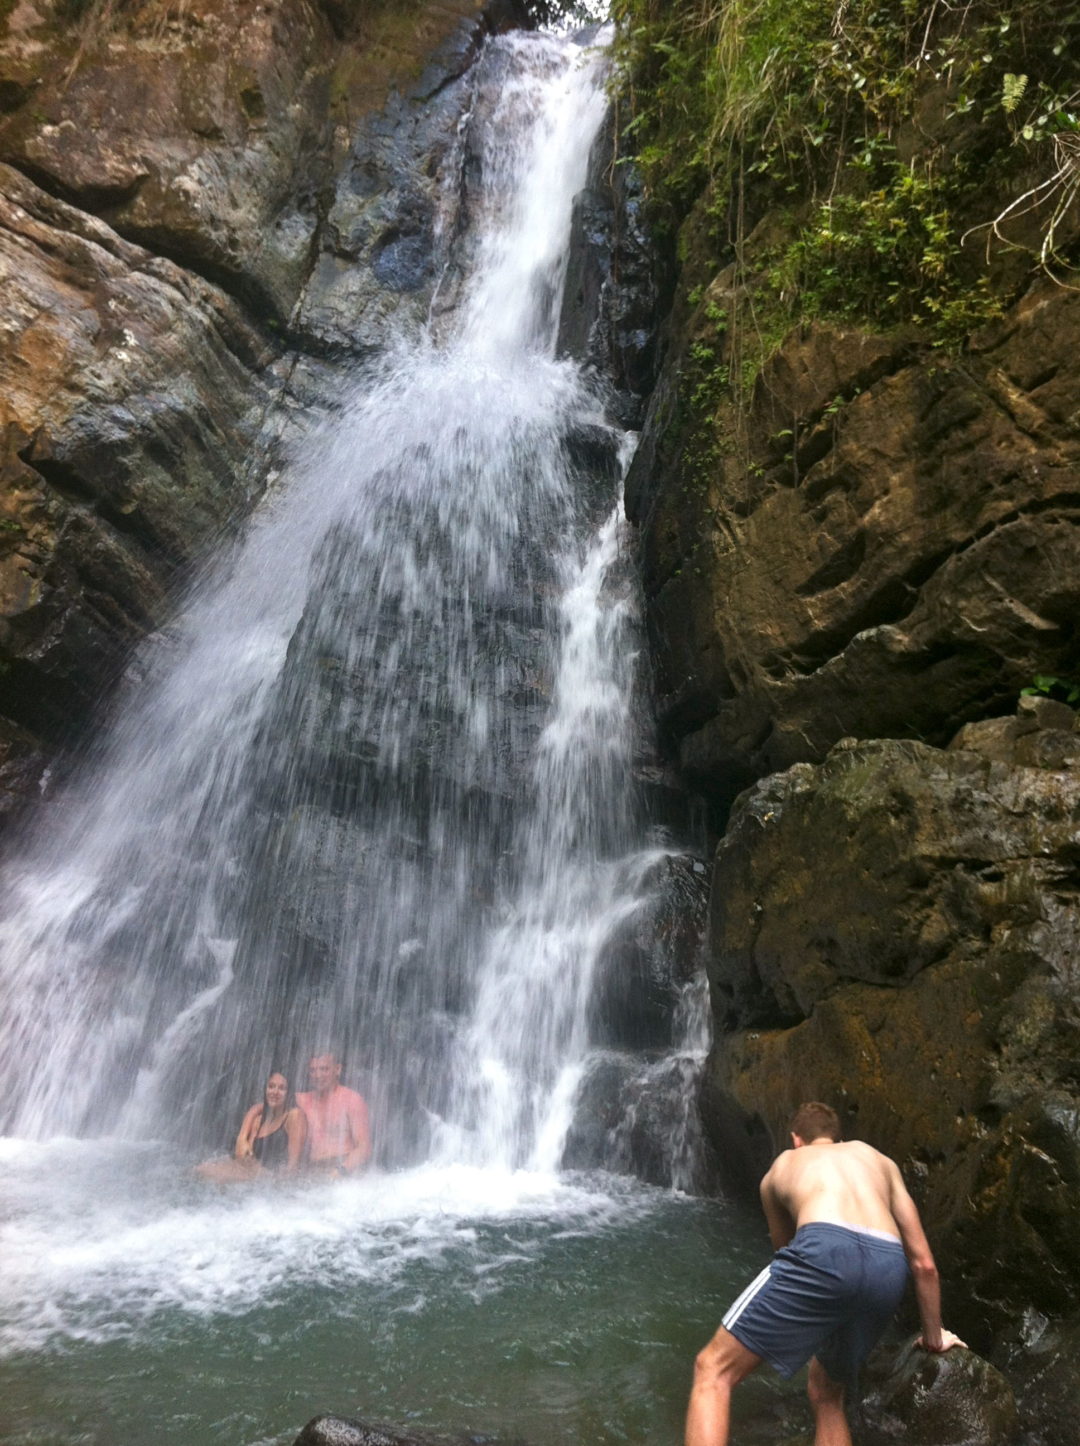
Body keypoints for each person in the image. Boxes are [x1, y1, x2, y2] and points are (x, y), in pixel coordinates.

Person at [686, 1101, 966, 1446]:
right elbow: (924, 1264)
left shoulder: (783, 1165)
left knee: (712, 1370)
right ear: (838, 1138)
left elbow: (785, 1256)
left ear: (796, 1139)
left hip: (823, 1248)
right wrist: (934, 1337)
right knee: (826, 1393)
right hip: (888, 1265)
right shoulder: (879, 1162)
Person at [195, 1069, 307, 1182]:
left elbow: (293, 1167)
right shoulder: (258, 1121)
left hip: (269, 1181)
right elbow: (243, 1157)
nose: (275, 1092)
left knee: (205, 1173)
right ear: (265, 1089)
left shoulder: (294, 1116)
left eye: (282, 1088)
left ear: (289, 1093)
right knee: (200, 1170)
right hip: (252, 1178)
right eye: (271, 1086)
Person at [296, 1050, 371, 1175]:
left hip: (344, 1167)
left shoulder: (352, 1100)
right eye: (313, 1070)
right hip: (313, 1170)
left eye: (324, 1069)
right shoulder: (302, 1100)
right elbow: (268, 1104)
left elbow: (364, 1147)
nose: (318, 1075)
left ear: (337, 1069)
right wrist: (250, 1119)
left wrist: (342, 1170)